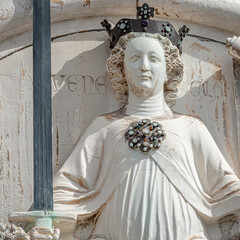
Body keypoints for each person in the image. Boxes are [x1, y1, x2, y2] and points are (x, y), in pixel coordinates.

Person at [53, 32, 240, 240]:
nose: (144, 66)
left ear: (169, 70)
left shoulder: (190, 127)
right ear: (121, 69)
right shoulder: (104, 127)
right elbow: (66, 185)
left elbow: (226, 186)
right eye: (135, 58)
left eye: (153, 58)